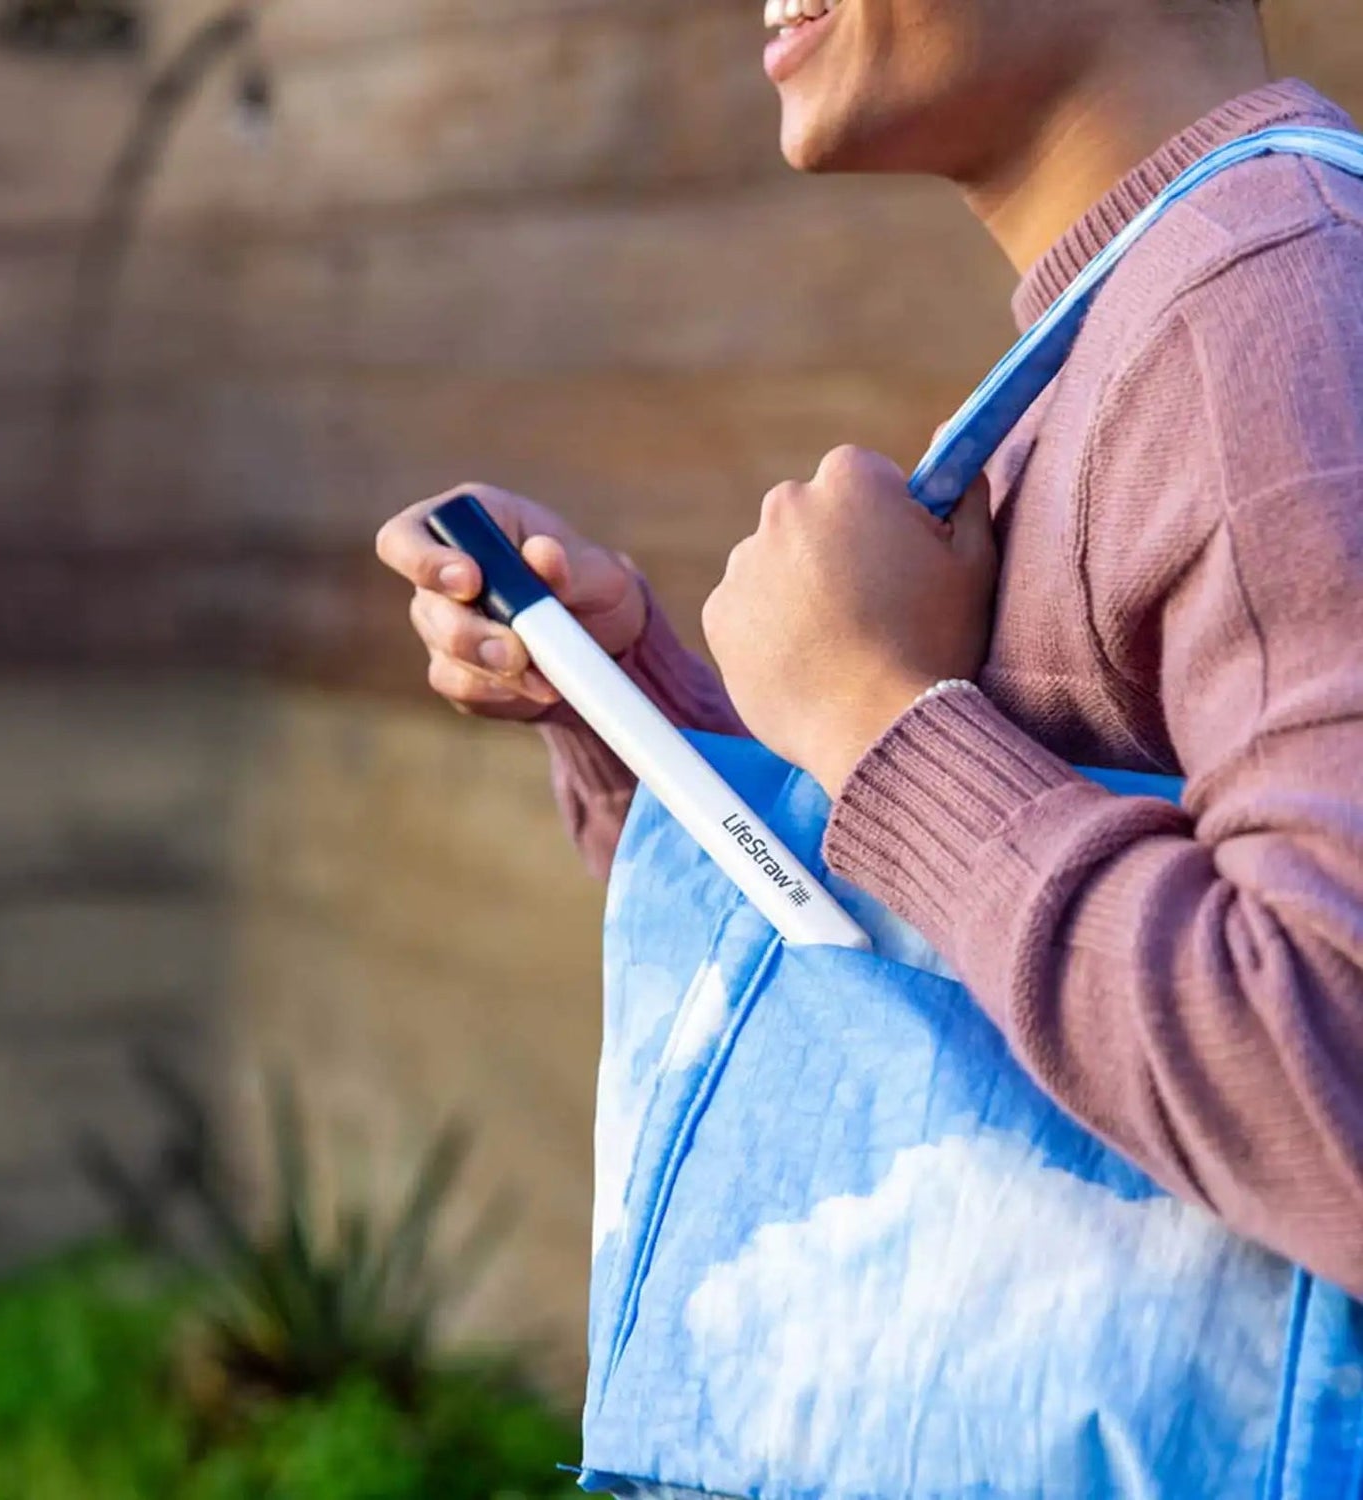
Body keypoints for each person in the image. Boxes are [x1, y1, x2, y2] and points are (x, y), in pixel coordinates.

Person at [376, 0, 1363, 1298]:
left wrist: (878, 718)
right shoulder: (1166, 307)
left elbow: (1331, 1078)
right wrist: (632, 715)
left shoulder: (1268, 296)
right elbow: (925, 970)